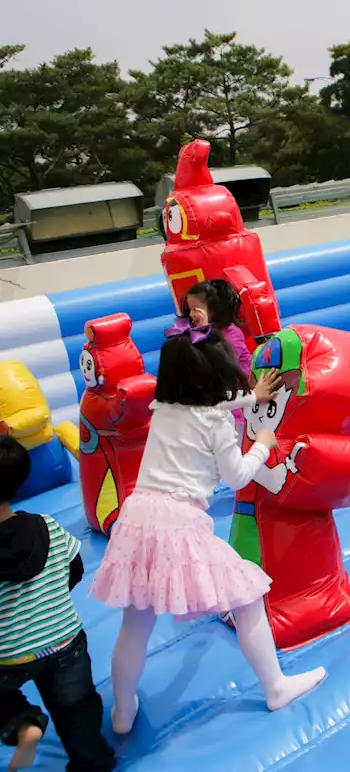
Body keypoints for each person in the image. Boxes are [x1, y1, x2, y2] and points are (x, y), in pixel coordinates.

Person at [90, 325, 325, 736]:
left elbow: (213, 403)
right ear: (217, 376)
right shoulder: (216, 423)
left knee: (136, 623)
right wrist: (263, 445)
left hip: (138, 514)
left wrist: (255, 396)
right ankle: (276, 687)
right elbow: (235, 477)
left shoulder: (163, 405)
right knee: (248, 599)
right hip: (179, 522)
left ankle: (122, 712)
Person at [0, 437, 114, 772]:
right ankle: (92, 762)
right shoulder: (46, 525)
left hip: (11, 655)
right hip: (66, 641)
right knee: (77, 707)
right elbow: (73, 566)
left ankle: (22, 723)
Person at [184, 280, 253, 432]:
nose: (191, 315)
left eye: (196, 309)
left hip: (235, 410)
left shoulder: (231, 333)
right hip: (213, 408)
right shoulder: (196, 335)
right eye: (189, 310)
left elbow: (217, 365)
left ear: (213, 309)